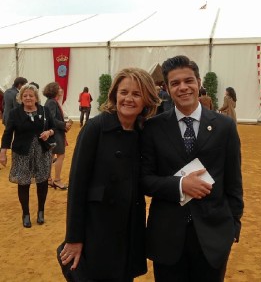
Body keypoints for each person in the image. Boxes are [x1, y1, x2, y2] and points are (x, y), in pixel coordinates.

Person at [141, 55, 244, 281]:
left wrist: (233, 225)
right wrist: (180, 184)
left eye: (189, 81)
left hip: (213, 235)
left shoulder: (225, 127)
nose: (183, 87)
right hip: (168, 236)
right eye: (175, 83)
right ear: (166, 88)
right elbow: (145, 179)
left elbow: (234, 180)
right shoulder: (153, 127)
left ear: (198, 82)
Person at [59, 68, 160, 282]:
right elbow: (77, 185)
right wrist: (74, 238)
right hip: (98, 228)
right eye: (124, 92)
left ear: (147, 99)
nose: (128, 99)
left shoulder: (143, 131)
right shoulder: (96, 128)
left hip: (130, 227)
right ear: (114, 94)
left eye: (136, 94)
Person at [0, 83, 55, 228]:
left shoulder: (44, 110)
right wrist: (3, 152)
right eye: (25, 95)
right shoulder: (15, 113)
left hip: (42, 152)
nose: (28, 98)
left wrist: (49, 132)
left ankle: (41, 211)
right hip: (22, 153)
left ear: (36, 97)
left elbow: (53, 126)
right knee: (23, 182)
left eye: (31, 95)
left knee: (42, 181)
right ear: (20, 97)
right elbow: (7, 133)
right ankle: (26, 214)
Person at [43, 82, 72, 190]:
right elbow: (52, 120)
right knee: (60, 155)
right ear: (54, 90)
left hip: (54, 133)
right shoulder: (51, 102)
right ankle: (57, 180)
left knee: (51, 156)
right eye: (59, 88)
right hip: (55, 134)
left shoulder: (51, 101)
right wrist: (64, 124)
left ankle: (49, 179)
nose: (61, 89)